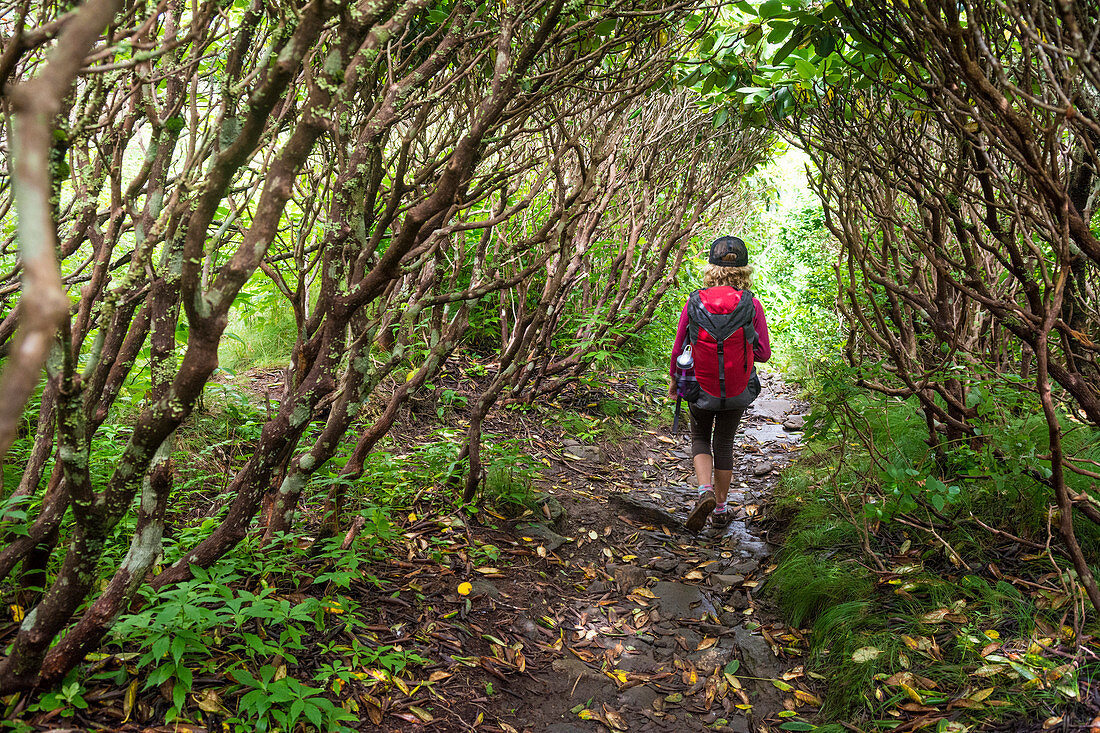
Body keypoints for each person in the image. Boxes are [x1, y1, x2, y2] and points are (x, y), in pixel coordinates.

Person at [669, 236, 770, 531]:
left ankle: (704, 493)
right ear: (743, 271)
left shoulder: (694, 302)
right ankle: (722, 509)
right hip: (738, 391)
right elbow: (763, 353)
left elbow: (679, 350)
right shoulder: (752, 305)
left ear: (711, 268)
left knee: (700, 437)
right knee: (724, 442)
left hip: (701, 388)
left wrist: (676, 382)